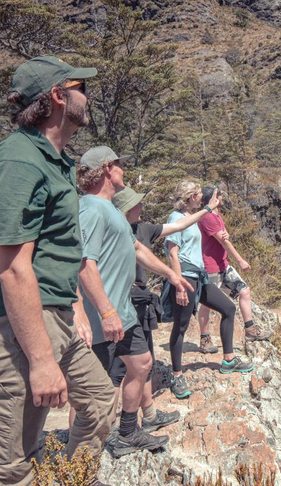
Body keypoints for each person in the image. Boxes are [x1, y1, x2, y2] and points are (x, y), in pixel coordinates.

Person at [0, 56, 115, 486]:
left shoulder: (55, 161)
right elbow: (12, 269)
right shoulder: (18, 162)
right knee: (8, 470)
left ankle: (71, 479)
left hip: (52, 318)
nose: (87, 96)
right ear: (57, 96)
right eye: (79, 87)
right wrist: (42, 360)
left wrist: (77, 311)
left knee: (101, 402)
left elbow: (59, 251)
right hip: (11, 327)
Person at [76, 146, 194, 458]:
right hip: (103, 314)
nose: (123, 171)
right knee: (95, 387)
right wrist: (105, 311)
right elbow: (84, 265)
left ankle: (128, 431)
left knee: (141, 363)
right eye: (118, 166)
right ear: (106, 171)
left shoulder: (111, 210)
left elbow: (137, 249)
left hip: (122, 311)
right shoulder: (89, 209)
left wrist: (171, 274)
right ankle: (81, 455)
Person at [106, 186, 223, 430]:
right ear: (126, 210)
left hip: (141, 299)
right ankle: (108, 429)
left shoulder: (145, 229)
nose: (142, 207)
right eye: (137, 204)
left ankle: (148, 417)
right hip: (120, 300)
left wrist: (207, 210)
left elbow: (180, 226)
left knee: (146, 361)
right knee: (117, 370)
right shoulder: (112, 231)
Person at [163, 180, 254, 400]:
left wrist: (212, 210)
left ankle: (229, 360)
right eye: (197, 194)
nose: (200, 198)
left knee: (228, 309)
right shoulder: (176, 218)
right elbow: (172, 253)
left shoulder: (191, 217)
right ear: (189, 197)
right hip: (186, 277)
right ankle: (177, 375)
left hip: (200, 276)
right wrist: (178, 284)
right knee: (181, 326)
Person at [196, 186, 273, 354]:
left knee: (244, 291)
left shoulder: (216, 215)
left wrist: (226, 235)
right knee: (207, 305)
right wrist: (241, 261)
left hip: (222, 265)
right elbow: (223, 241)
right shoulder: (207, 217)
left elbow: (224, 236)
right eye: (219, 195)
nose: (222, 197)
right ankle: (204, 338)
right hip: (211, 268)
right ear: (213, 198)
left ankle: (250, 329)